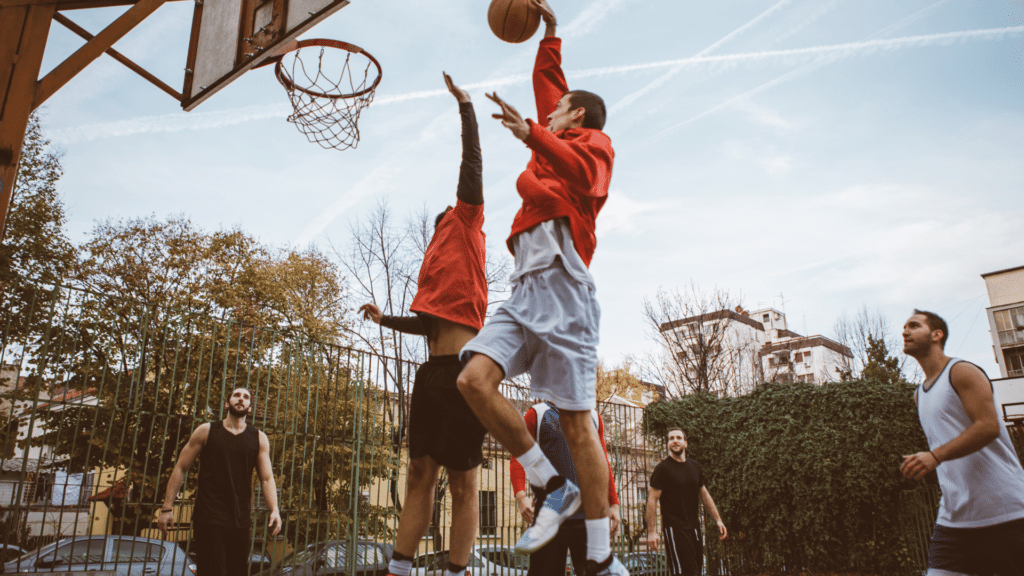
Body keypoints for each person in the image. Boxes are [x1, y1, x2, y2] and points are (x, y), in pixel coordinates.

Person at [456, 0, 623, 574]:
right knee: (472, 379)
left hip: (566, 290)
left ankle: (599, 555)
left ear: (576, 118)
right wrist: (550, 32)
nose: (547, 113)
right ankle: (554, 485)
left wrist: (530, 135)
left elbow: (577, 171)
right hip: (524, 288)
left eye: (557, 114)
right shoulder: (557, 136)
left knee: (578, 422)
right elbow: (549, 83)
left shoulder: (596, 145)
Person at [358, 73, 488, 576]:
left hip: (465, 371)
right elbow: (428, 324)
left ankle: (457, 570)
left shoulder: (467, 221)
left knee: (464, 484)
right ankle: (400, 569)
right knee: (418, 475)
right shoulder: (437, 258)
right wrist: (384, 318)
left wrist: (465, 107)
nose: (445, 219)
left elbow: (471, 165)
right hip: (431, 373)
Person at [899, 309, 1024, 576]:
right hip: (954, 518)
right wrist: (924, 467)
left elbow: (988, 426)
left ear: (936, 334)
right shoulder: (919, 395)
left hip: (1004, 511)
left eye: (913, 325)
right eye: (904, 327)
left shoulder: (962, 371)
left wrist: (934, 456)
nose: (905, 331)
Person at [157, 387, 282, 576]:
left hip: (240, 517)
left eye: (246, 397)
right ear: (227, 403)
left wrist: (275, 509)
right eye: (236, 395)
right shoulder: (206, 431)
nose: (241, 399)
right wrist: (167, 508)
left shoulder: (258, 438)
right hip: (208, 515)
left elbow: (266, 478)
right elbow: (181, 468)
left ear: (249, 408)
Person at [511, 401, 621, 576]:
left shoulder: (593, 417)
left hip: (587, 516)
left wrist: (614, 503)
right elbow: (518, 456)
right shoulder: (536, 414)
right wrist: (521, 496)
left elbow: (603, 464)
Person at [645, 428, 726, 576]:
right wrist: (652, 532)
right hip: (674, 529)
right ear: (668, 444)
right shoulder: (662, 469)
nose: (675, 441)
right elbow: (652, 500)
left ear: (685, 443)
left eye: (678, 438)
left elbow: (705, 495)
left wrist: (718, 519)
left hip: (694, 528)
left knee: (696, 570)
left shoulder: (694, 467)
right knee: (684, 572)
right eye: (671, 439)